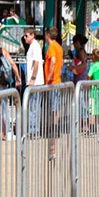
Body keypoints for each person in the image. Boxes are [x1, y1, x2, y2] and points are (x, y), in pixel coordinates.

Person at [44, 27, 63, 158]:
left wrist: (49, 76)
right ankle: (55, 126)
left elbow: (53, 62)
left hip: (53, 81)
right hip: (58, 80)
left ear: (47, 35)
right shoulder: (59, 47)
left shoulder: (51, 47)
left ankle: (53, 128)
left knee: (53, 107)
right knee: (56, 107)